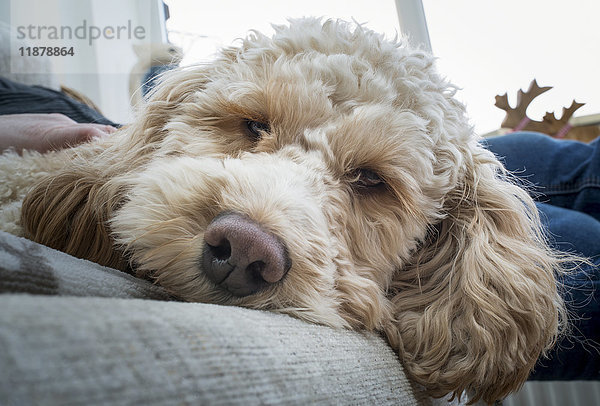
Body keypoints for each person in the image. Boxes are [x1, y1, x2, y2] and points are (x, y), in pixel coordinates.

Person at [1, 75, 598, 381]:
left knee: (573, 165)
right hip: (105, 133)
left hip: (86, 120)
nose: (249, 245)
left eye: (368, 182)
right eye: (253, 125)